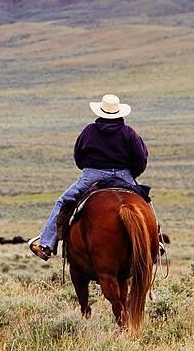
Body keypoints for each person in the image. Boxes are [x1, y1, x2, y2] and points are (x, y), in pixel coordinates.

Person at [29, 94, 148, 261]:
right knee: (145, 204)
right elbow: (141, 159)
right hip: (123, 175)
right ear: (120, 113)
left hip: (93, 175)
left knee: (63, 201)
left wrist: (91, 169)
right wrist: (130, 175)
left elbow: (78, 157)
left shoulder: (89, 131)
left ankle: (46, 245)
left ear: (101, 111)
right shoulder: (129, 133)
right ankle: (155, 245)